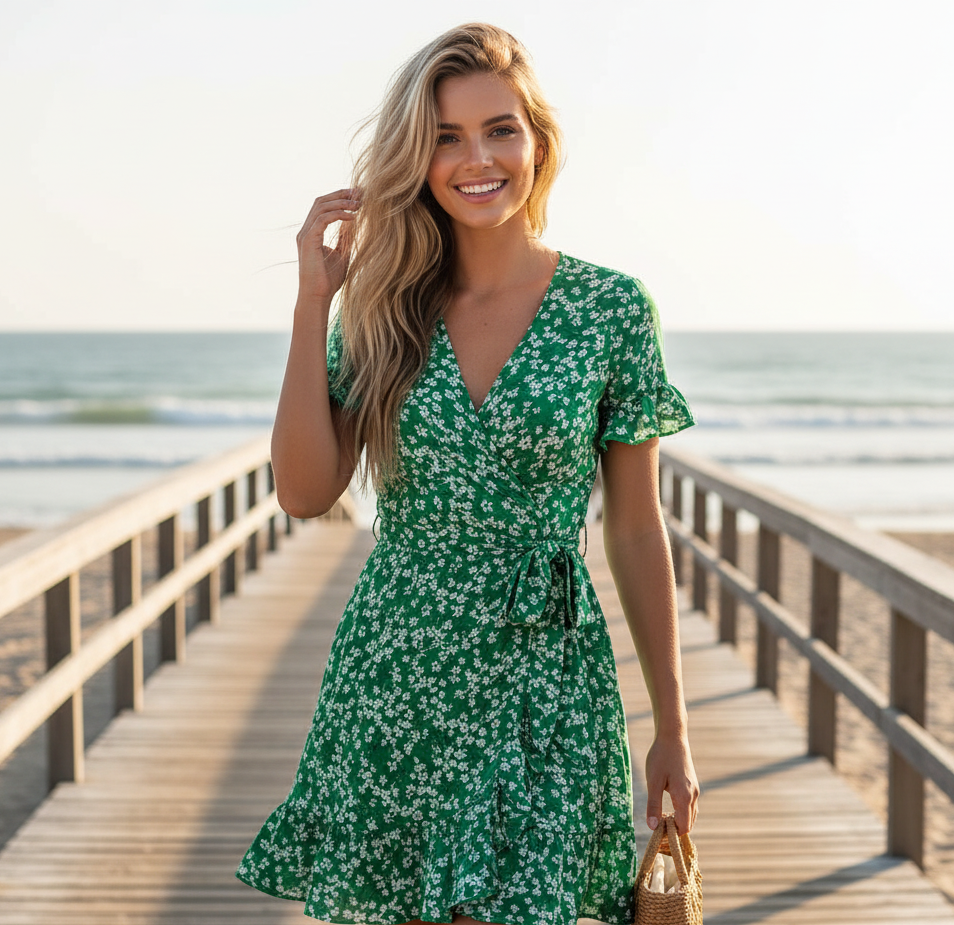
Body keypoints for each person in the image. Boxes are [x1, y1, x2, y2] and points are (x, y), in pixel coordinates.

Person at [236, 22, 700, 925]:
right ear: (418, 158)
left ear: (538, 142)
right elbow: (302, 491)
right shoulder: (381, 309)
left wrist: (673, 726)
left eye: (499, 129)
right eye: (445, 137)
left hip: (546, 678)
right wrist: (312, 298)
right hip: (402, 668)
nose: (475, 158)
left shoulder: (610, 307)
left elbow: (637, 527)